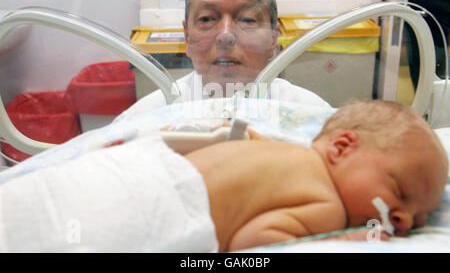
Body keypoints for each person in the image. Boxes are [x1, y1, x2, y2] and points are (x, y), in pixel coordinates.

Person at [0, 100, 447, 252]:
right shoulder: (327, 207)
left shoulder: (268, 143)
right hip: (157, 203)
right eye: (399, 191)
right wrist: (343, 241)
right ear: (342, 146)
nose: (404, 216)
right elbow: (251, 249)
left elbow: (201, 139)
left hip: (121, 169)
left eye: (419, 218)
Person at [115, 0, 330, 122]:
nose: (225, 35)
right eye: (207, 19)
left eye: (247, 20)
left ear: (273, 40)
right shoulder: (145, 120)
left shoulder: (312, 116)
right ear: (187, 37)